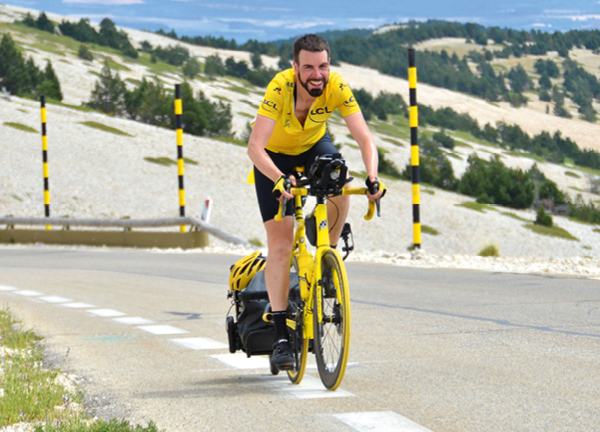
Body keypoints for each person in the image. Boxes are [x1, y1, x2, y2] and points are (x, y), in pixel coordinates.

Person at [247, 34, 385, 369]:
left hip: (313, 147)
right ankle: (280, 335)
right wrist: (278, 179)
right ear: (295, 67)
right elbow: (255, 147)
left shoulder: (336, 86)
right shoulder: (279, 89)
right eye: (308, 67)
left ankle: (328, 255)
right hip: (274, 159)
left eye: (322, 66)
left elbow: (364, 137)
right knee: (280, 246)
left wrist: (373, 177)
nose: (316, 74)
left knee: (340, 175)